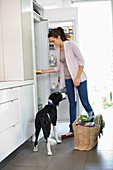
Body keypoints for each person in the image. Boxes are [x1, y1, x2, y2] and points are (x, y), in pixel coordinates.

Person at [36, 27, 94, 139]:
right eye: (51, 42)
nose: (53, 43)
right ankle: (72, 130)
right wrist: (43, 71)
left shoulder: (71, 45)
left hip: (79, 78)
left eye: (53, 41)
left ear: (58, 37)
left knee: (85, 102)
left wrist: (77, 78)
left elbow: (82, 61)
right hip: (68, 79)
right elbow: (58, 68)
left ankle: (93, 123)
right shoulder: (57, 49)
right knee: (72, 104)